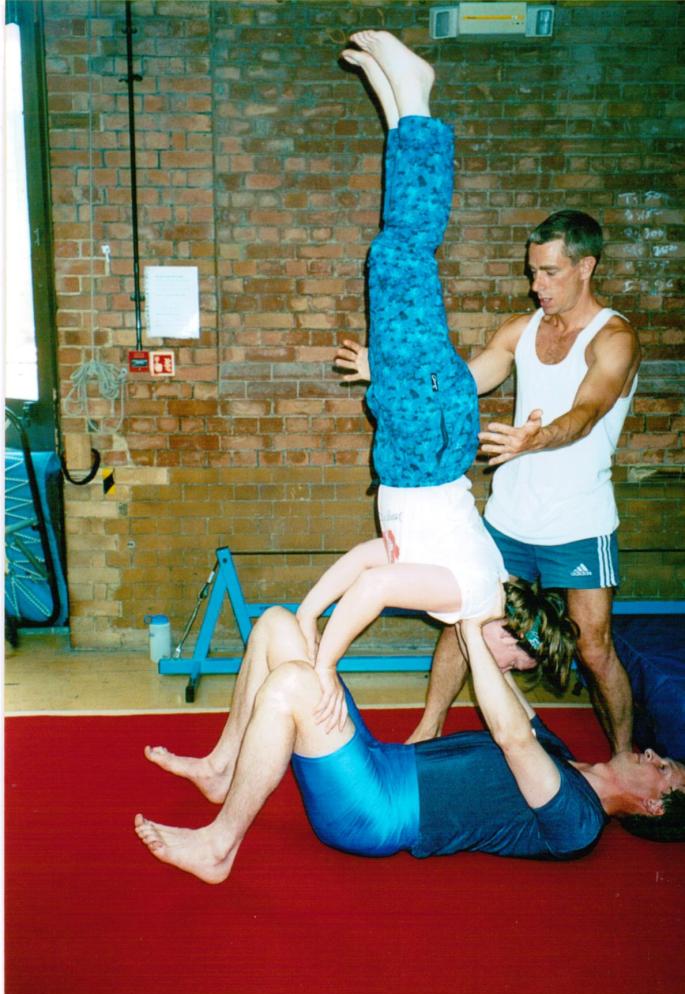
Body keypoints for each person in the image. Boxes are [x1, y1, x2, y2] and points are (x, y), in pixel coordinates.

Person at [295, 30, 574, 733]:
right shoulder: (470, 596)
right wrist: (322, 664)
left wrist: (307, 613)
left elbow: (373, 558)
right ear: (513, 635)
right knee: (402, 251)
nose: (502, 671)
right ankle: (415, 98)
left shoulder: (481, 600)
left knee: (394, 251)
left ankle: (399, 108)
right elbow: (375, 588)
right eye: (515, 663)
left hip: (422, 428)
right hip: (423, 437)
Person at [336, 174, 640, 756]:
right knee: (466, 620)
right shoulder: (522, 330)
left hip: (579, 521)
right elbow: (458, 386)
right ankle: (428, 729)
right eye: (532, 272)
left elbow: (588, 411)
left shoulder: (615, 338)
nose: (536, 285)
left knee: (593, 646)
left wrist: (538, 438)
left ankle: (624, 757)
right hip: (508, 517)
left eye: (549, 272)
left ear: (586, 267)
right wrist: (391, 374)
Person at [134, 603, 685, 884]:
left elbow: (513, 737)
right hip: (379, 760)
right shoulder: (564, 754)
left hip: (376, 811)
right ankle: (223, 770)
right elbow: (501, 675)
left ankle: (220, 846)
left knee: (292, 685)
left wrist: (471, 629)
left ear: (653, 806)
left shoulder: (579, 822)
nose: (653, 754)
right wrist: (492, 618)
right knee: (278, 624)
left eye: (664, 770)